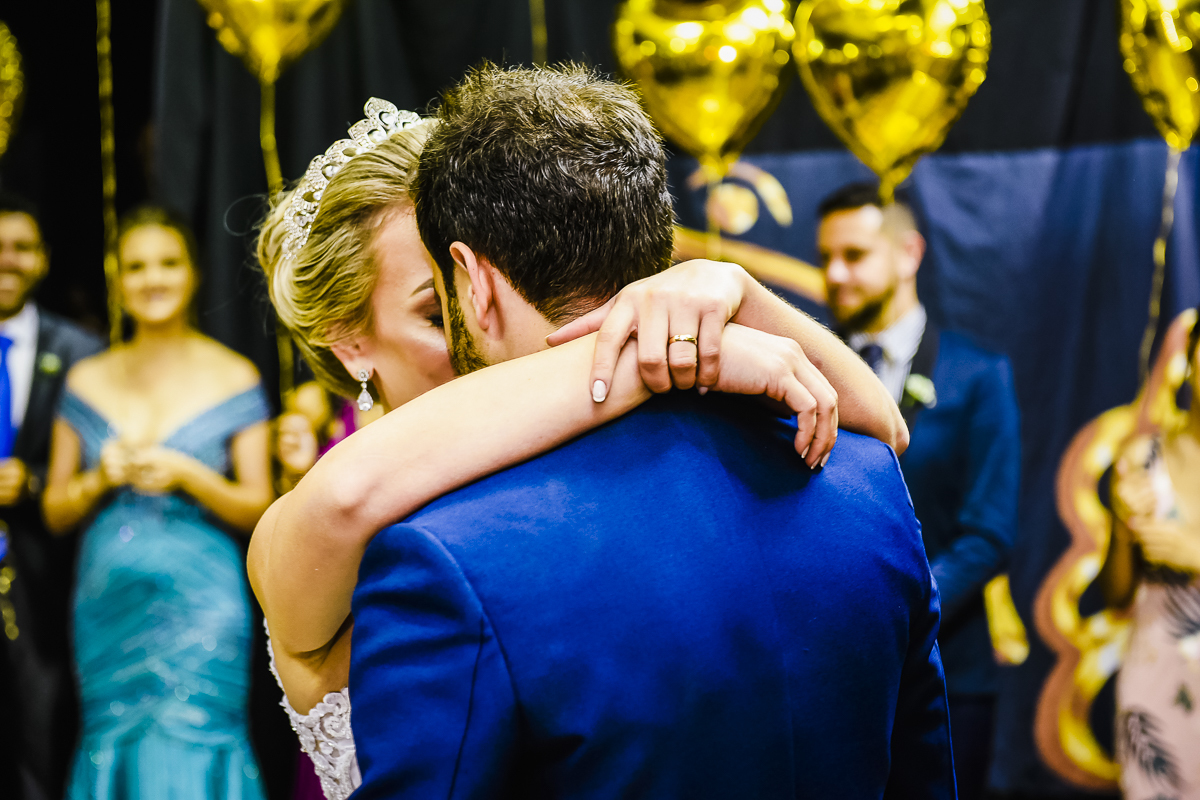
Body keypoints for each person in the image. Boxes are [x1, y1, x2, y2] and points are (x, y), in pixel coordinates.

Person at [252, 95, 910, 797]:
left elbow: (883, 431)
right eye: (428, 308)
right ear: (350, 341)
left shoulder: (576, 478)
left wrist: (731, 290)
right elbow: (349, 498)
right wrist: (668, 347)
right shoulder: (314, 524)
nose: (467, 314)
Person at [41, 206, 273, 799]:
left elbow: (260, 507)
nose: (153, 279)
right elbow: (55, 511)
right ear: (117, 277)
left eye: (167, 263)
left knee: (201, 735)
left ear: (193, 273)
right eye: (136, 266)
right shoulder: (86, 378)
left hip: (206, 601)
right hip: (108, 603)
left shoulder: (235, 376)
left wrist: (188, 475)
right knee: (110, 736)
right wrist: (99, 480)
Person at [816, 182, 1021, 799]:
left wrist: (900, 607)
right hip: (832, 669)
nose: (833, 273)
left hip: (951, 673)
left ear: (908, 253)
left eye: (854, 255)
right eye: (826, 255)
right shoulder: (804, 365)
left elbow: (988, 535)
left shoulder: (978, 376)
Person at [0, 193, 104, 800]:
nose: (7, 261)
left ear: (41, 260)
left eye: (20, 248)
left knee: (41, 747)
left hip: (44, 581)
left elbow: (96, 456)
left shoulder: (80, 353)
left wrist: (35, 481)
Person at [1100, 309, 1200, 798]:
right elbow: (1116, 596)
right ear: (1189, 360)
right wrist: (1121, 527)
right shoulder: (1143, 459)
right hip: (1155, 679)